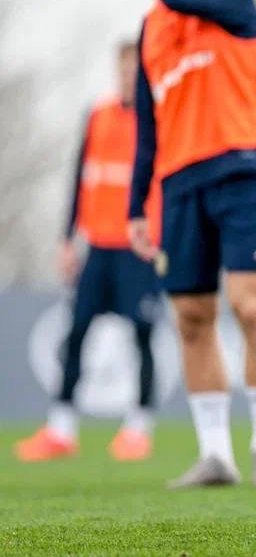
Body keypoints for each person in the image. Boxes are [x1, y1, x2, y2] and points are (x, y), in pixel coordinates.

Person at [122, 0, 256, 489]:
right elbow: (148, 126)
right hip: (179, 185)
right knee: (191, 318)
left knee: (250, 305)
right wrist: (135, 205)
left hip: (242, 170)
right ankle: (216, 455)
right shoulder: (150, 30)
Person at [15, 42, 163, 463]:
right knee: (76, 332)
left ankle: (138, 429)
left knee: (143, 334)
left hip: (139, 248)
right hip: (97, 246)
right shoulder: (97, 115)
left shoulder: (158, 121)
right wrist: (67, 239)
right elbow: (80, 178)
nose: (128, 78)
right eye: (123, 71)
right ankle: (61, 429)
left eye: (135, 72)